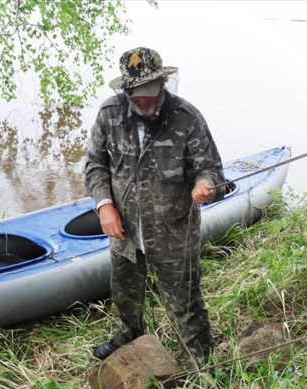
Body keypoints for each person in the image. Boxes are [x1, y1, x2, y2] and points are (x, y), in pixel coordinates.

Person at [85, 47, 226, 370]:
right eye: (137, 97)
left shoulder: (186, 118)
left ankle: (203, 369)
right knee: (124, 295)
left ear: (163, 84)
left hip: (174, 233)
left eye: (151, 94)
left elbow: (212, 170)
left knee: (186, 307)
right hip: (125, 234)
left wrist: (204, 186)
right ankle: (129, 335)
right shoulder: (109, 114)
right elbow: (95, 166)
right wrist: (104, 205)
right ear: (127, 91)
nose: (145, 102)